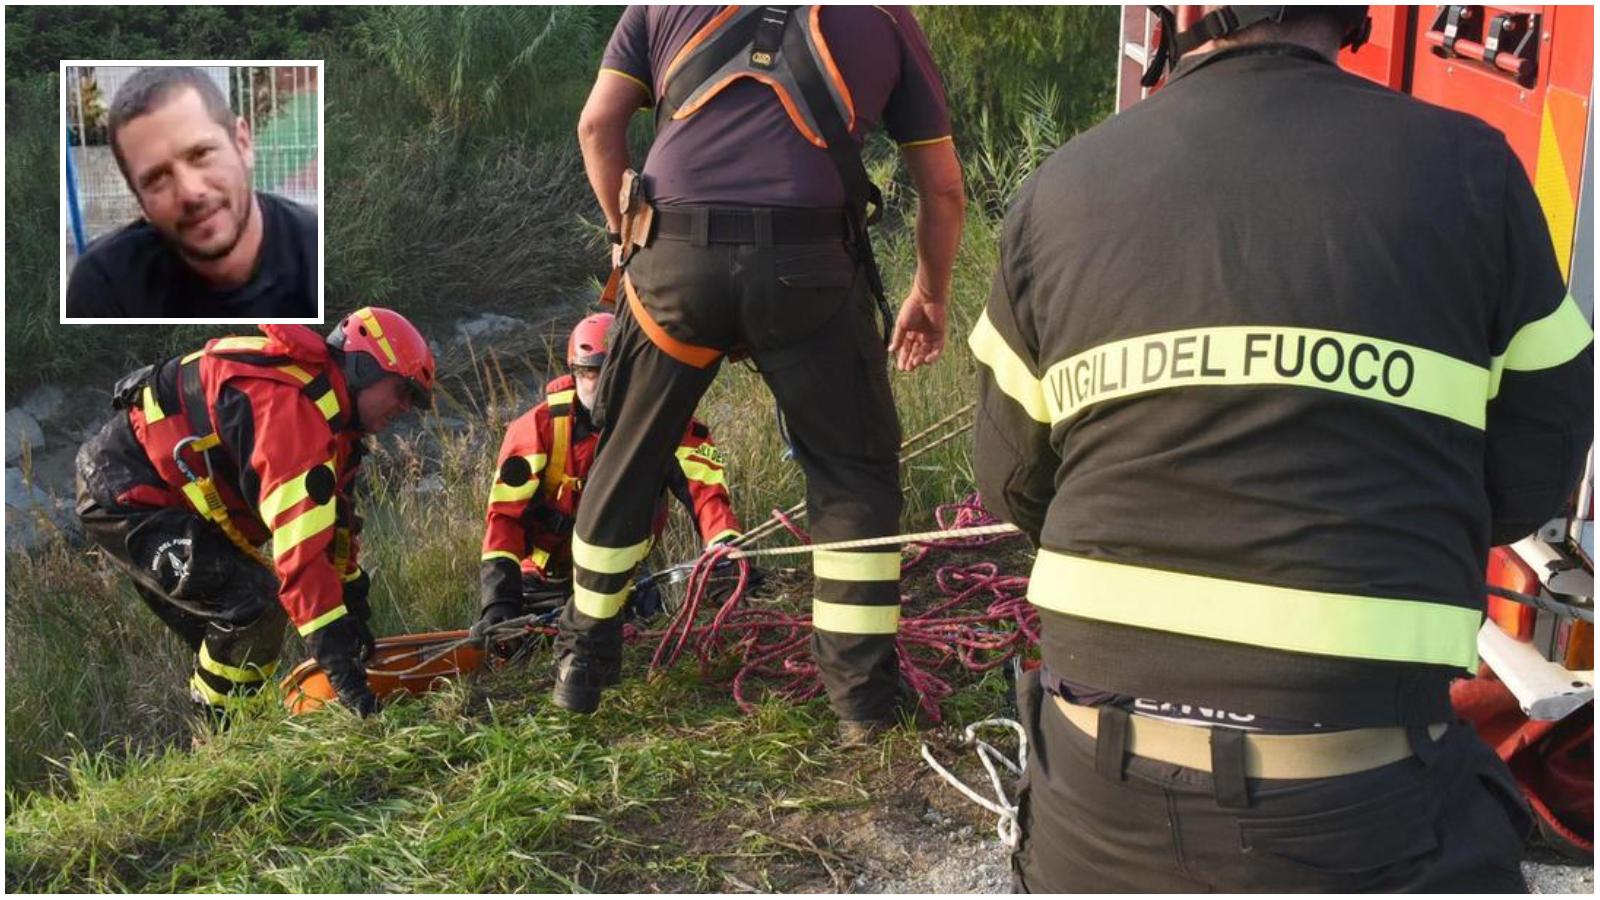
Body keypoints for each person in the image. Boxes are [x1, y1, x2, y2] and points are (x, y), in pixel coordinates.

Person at [971, 5, 1593, 892]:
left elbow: (1010, 484)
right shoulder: (1475, 172)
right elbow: (1537, 467)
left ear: (1179, 17)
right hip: (1366, 811)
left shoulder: (1061, 186)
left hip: (1098, 822)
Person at [562, 5, 965, 738]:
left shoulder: (660, 6)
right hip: (807, 270)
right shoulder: (883, 17)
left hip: (673, 265)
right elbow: (942, 189)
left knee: (628, 453)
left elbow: (597, 127)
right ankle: (862, 704)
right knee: (851, 471)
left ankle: (582, 664)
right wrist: (929, 296)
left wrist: (630, 240)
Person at [75, 307, 435, 719]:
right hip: (126, 491)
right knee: (252, 605)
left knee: (242, 628)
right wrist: (345, 674)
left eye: (415, 400)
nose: (406, 407)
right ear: (362, 367)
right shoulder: (292, 415)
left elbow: (332, 528)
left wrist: (353, 605)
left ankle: (240, 728)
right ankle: (220, 734)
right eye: (403, 391)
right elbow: (299, 560)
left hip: (175, 499)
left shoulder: (337, 428)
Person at [471, 311, 741, 660]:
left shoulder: (670, 424)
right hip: (544, 585)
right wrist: (500, 602)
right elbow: (504, 519)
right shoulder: (535, 430)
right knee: (522, 665)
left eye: (612, 374)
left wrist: (727, 556)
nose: (601, 388)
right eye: (589, 373)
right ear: (574, 372)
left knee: (647, 661)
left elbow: (708, 497)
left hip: (623, 582)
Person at [66, 66, 318, 319]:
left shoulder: (320, 253)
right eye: (157, 178)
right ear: (140, 201)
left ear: (242, 143)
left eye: (201, 154)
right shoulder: (106, 285)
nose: (189, 192)